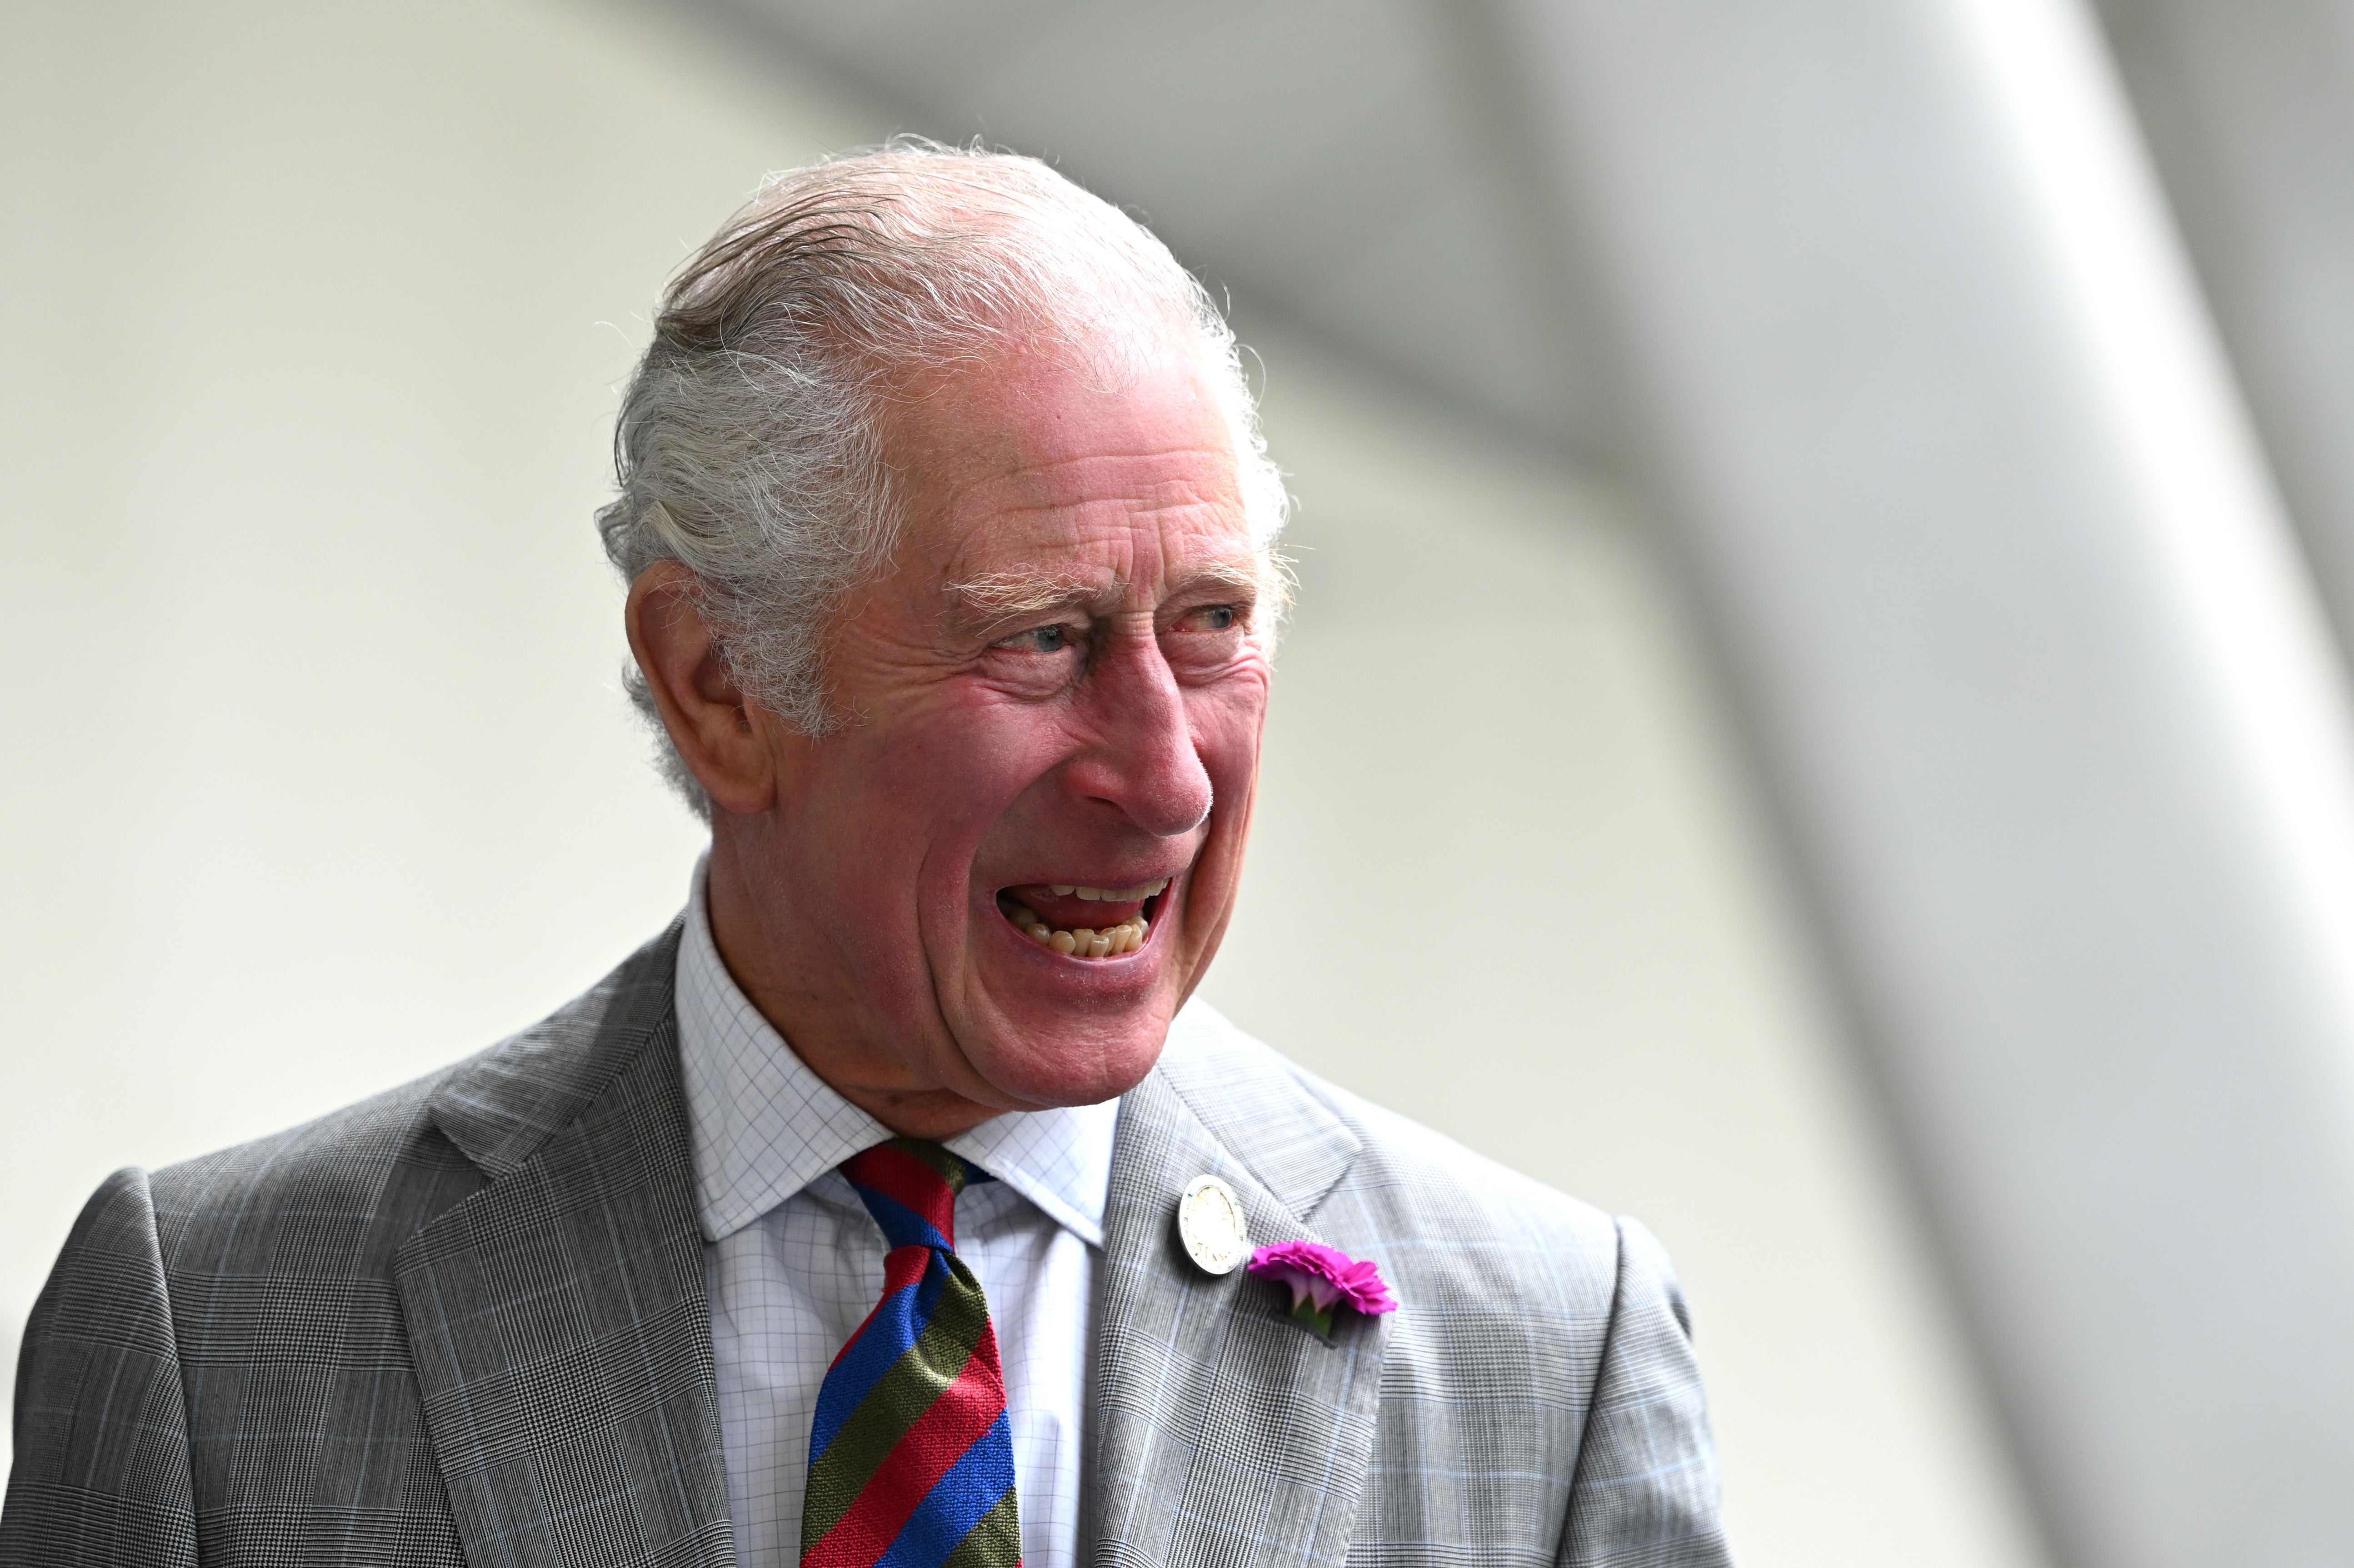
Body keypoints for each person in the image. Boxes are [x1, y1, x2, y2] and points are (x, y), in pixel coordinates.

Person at [1, 143, 1729, 1568]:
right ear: (720, 684)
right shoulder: (221, 1333)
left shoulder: (1542, 1356)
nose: (1164, 777)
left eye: (1211, 627)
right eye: (1042, 640)